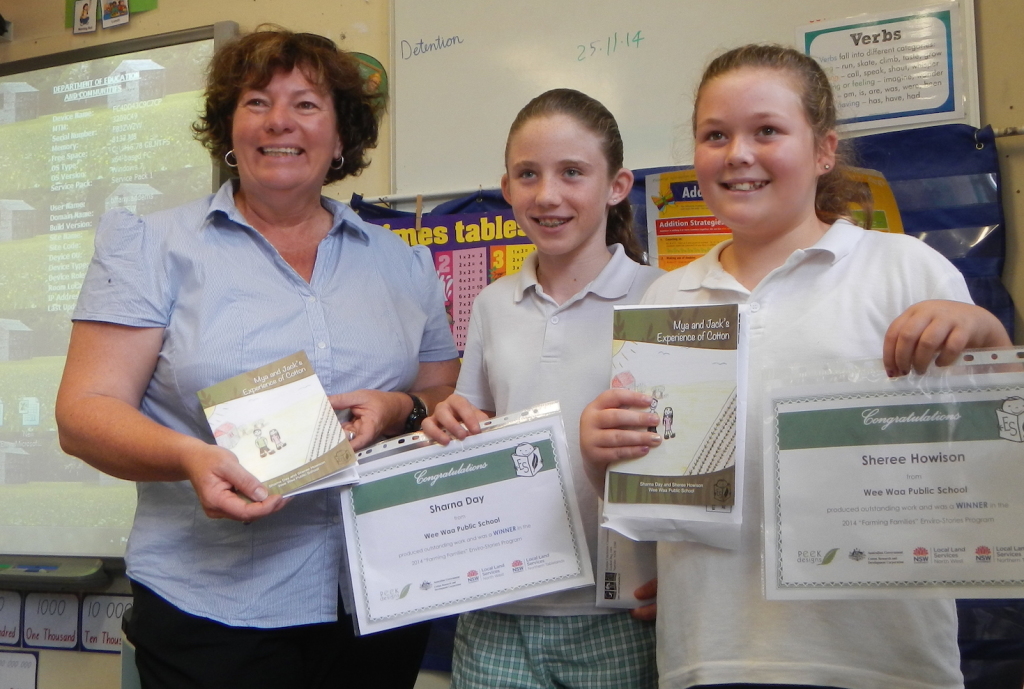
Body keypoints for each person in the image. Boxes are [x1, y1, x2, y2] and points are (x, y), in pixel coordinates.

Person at [579, 44, 1012, 689]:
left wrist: (989, 340)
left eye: (768, 131)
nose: (738, 154)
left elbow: (990, 460)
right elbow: (642, 484)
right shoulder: (667, 299)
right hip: (711, 653)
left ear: (824, 150)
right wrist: (600, 450)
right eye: (715, 135)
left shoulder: (904, 270)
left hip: (882, 660)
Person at [55, 27, 459, 689]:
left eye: (306, 104)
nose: (280, 122)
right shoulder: (151, 246)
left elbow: (443, 396)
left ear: (340, 133)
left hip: (378, 598)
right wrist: (190, 457)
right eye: (256, 102)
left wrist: (400, 407)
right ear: (227, 126)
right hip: (210, 606)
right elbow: (84, 412)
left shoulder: (403, 264)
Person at [421, 88, 663, 689]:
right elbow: (475, 425)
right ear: (506, 188)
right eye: (528, 174)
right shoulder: (492, 304)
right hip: (500, 606)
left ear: (616, 185)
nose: (547, 195)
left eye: (573, 173)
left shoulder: (665, 299)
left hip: (619, 612)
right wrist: (450, 422)